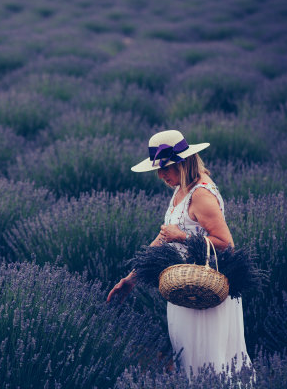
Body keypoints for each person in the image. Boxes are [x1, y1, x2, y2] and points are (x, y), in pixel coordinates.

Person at [106, 129, 251, 377]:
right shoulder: (181, 189)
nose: (161, 175)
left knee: (210, 363)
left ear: (184, 164)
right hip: (183, 287)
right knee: (189, 361)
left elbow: (227, 244)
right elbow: (164, 238)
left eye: (166, 168)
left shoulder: (201, 194)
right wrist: (131, 278)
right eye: (158, 170)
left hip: (206, 290)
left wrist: (182, 237)